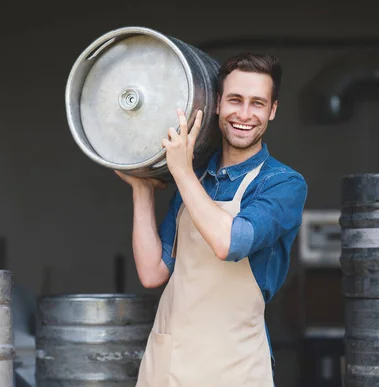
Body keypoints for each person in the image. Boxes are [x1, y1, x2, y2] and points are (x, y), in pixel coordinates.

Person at [115, 52, 308, 387]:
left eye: (257, 103)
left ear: (272, 110)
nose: (245, 114)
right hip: (168, 367)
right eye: (235, 100)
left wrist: (181, 171)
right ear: (218, 103)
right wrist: (142, 189)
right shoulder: (196, 179)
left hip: (235, 369)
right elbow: (152, 271)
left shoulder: (283, 184)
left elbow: (230, 242)